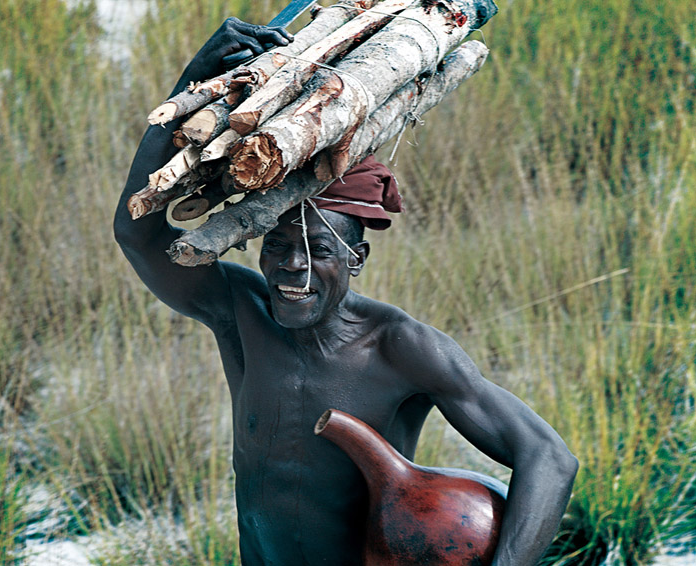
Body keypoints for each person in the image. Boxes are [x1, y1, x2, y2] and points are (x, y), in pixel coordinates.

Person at [114, 17, 578, 566]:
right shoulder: (241, 311)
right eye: (277, 245)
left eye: (319, 250)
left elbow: (548, 458)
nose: (293, 268)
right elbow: (138, 233)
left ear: (356, 259)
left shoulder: (401, 348)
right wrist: (194, 86)